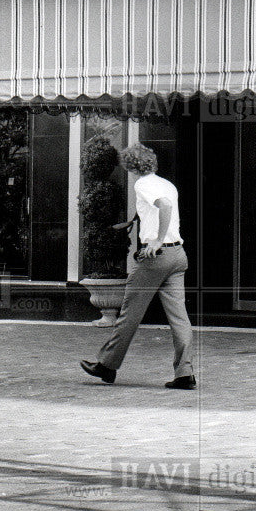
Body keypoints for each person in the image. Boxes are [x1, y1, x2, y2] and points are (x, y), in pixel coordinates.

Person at [81, 142, 196, 390]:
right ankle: (185, 373)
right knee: (179, 318)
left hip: (156, 257)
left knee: (129, 314)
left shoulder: (142, 184)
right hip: (177, 255)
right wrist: (133, 222)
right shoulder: (166, 184)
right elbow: (160, 207)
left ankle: (107, 365)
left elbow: (163, 207)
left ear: (130, 166)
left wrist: (155, 239)